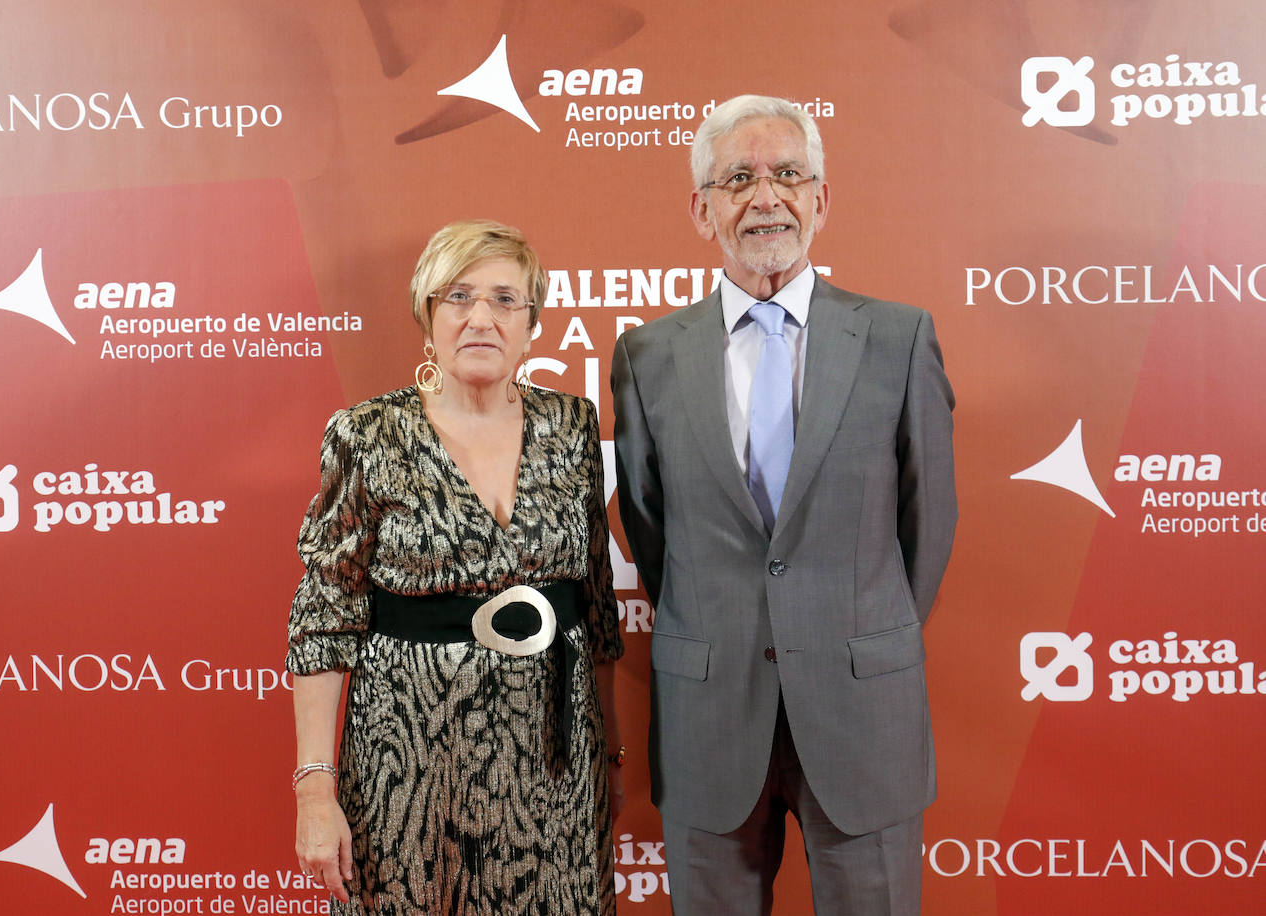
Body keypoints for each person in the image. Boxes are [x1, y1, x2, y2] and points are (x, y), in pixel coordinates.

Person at [611, 95, 957, 915]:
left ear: (820, 199)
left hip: (860, 705)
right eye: (738, 179)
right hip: (709, 711)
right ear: (703, 209)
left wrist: (858, 629)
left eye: (787, 175)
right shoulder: (645, 356)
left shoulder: (898, 340)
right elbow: (651, 531)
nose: (765, 198)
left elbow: (927, 527)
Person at [287, 219, 625, 915]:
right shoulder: (367, 433)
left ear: (532, 323)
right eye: (459, 296)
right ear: (427, 315)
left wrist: (609, 752)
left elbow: (594, 603)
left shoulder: (572, 428)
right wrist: (315, 789)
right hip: (405, 763)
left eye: (506, 299)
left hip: (554, 755)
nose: (481, 318)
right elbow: (323, 620)